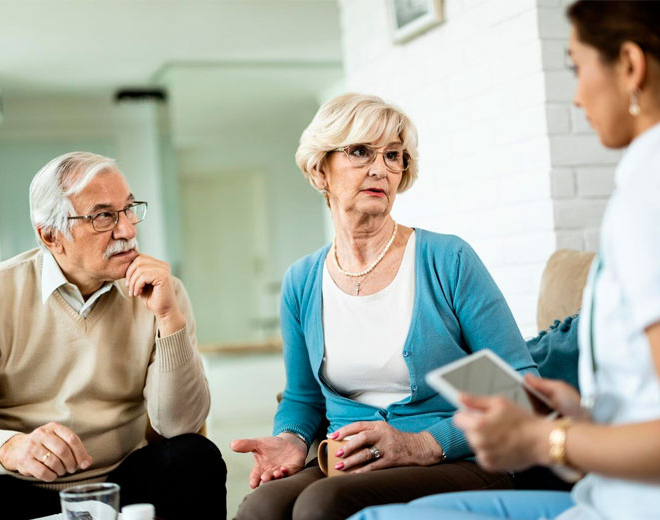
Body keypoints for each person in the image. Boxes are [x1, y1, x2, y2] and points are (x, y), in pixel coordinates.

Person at [352, 2, 660, 519]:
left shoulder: (659, 197)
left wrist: (546, 438)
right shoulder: (659, 183)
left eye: (577, 69)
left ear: (630, 65)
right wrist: (579, 417)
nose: (576, 97)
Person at [230, 93, 539, 520]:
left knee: (323, 504)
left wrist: (421, 445)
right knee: (263, 508)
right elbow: (303, 397)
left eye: (394, 156)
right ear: (320, 169)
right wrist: (292, 439)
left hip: (460, 458)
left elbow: (519, 388)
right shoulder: (301, 281)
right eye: (360, 152)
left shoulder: (446, 260)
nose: (381, 168)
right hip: (348, 458)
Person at [0, 152, 226, 519]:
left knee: (195, 457)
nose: (127, 230)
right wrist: (12, 448)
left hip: (122, 479)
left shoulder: (163, 292)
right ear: (50, 235)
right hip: (17, 484)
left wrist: (169, 317)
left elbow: (180, 426)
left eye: (128, 209)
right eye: (103, 216)